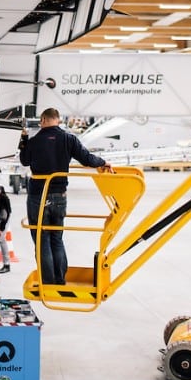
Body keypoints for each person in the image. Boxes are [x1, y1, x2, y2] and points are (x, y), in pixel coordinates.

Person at [19, 108, 112, 285]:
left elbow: (24, 161)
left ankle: (48, 282)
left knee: (41, 238)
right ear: (58, 120)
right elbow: (88, 159)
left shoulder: (34, 141)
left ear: (44, 120)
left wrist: (23, 140)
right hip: (59, 195)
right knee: (56, 237)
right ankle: (60, 278)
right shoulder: (68, 139)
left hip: (39, 195)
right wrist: (103, 162)